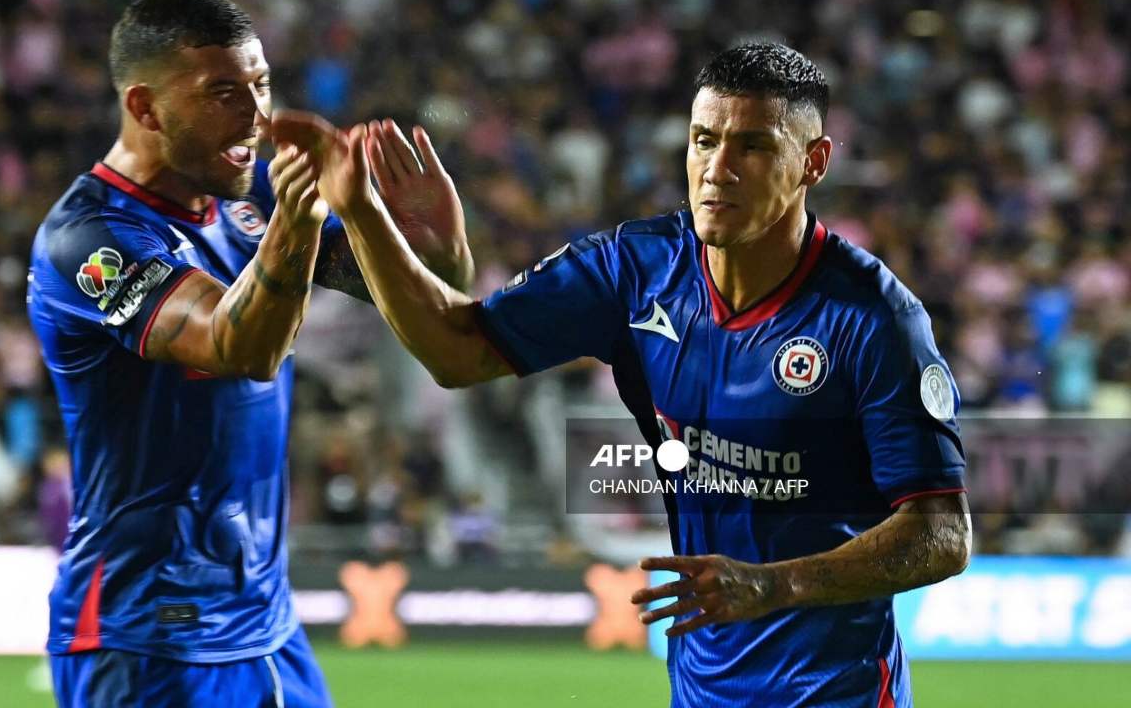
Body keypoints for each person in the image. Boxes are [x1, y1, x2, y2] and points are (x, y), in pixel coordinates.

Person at [276, 42, 972, 707]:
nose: (718, 168)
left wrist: (774, 585)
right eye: (704, 139)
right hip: (702, 685)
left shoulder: (875, 318)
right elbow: (459, 352)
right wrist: (367, 213)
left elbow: (942, 534)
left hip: (835, 693)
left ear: (813, 162)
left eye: (753, 146)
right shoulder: (634, 269)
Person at [25, 0, 469, 706]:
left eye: (261, 86)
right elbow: (240, 347)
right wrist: (298, 224)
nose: (257, 117)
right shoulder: (88, 239)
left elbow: (421, 288)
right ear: (144, 108)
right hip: (146, 638)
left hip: (268, 625)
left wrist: (413, 237)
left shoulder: (254, 196)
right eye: (223, 94)